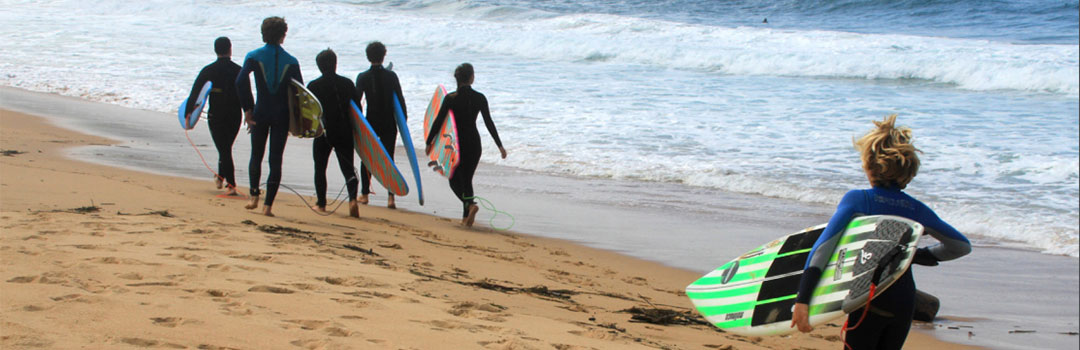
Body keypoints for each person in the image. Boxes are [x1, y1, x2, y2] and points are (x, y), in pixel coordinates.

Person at [789, 115, 971, 349]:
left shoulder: (859, 200)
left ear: (868, 165)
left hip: (869, 299)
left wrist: (803, 300)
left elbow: (823, 248)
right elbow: (961, 246)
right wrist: (916, 255)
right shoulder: (917, 209)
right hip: (905, 302)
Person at [425, 63, 507, 227]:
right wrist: (500, 146)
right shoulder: (480, 98)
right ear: (472, 78)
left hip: (457, 144)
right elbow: (489, 123)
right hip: (474, 143)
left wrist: (429, 142)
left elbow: (439, 121)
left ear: (457, 78)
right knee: (467, 179)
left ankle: (470, 206)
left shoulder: (450, 98)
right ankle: (466, 215)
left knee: (455, 180)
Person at [236, 16, 302, 217]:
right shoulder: (291, 61)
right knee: (275, 159)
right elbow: (300, 93)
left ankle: (254, 195)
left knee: (256, 154)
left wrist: (247, 109)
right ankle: (268, 207)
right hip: (281, 116)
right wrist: (296, 122)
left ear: (263, 34)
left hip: (260, 112)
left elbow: (240, 81)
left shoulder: (253, 56)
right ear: (283, 36)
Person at [185, 36, 242, 196]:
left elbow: (196, 92)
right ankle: (223, 178)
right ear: (230, 49)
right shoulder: (239, 70)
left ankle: (230, 183)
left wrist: (188, 112)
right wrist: (250, 112)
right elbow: (245, 94)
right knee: (225, 148)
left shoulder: (209, 70)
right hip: (235, 114)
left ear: (215, 50)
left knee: (224, 149)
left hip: (216, 113)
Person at [307, 49, 360, 217]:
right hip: (344, 130)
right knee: (348, 168)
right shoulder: (348, 84)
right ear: (335, 63)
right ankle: (352, 200)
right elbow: (358, 110)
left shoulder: (313, 86)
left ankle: (321, 204)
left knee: (320, 168)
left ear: (319, 66)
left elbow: (309, 113)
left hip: (324, 132)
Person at [354, 41, 406, 209]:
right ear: (384, 56)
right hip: (389, 122)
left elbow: (356, 102)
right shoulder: (391, 76)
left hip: (371, 122)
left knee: (367, 158)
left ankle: (364, 194)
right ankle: (391, 198)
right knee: (389, 159)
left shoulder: (362, 77)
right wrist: (403, 122)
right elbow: (400, 100)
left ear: (368, 56)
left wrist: (359, 121)